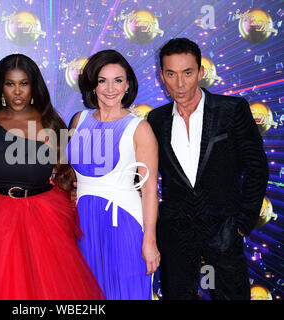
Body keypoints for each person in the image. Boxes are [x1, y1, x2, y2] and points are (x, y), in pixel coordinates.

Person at [0, 54, 105, 300]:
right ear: (1, 87)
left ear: (33, 86)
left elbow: (71, 171)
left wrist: (77, 190)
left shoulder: (50, 123)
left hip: (44, 221)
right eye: (10, 84)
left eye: (23, 83)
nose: (17, 91)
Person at [147, 38, 269, 300]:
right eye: (171, 74)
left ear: (201, 72)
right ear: (162, 76)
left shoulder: (231, 110)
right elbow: (144, 173)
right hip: (176, 234)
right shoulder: (156, 119)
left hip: (224, 230)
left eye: (187, 73)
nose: (179, 84)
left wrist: (241, 224)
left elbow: (257, 168)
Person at [67, 49, 160, 300]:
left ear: (127, 84)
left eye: (118, 80)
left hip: (124, 222)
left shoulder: (139, 128)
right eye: (102, 80)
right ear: (92, 85)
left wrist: (149, 241)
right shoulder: (79, 120)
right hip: (83, 223)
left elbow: (150, 190)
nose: (110, 88)